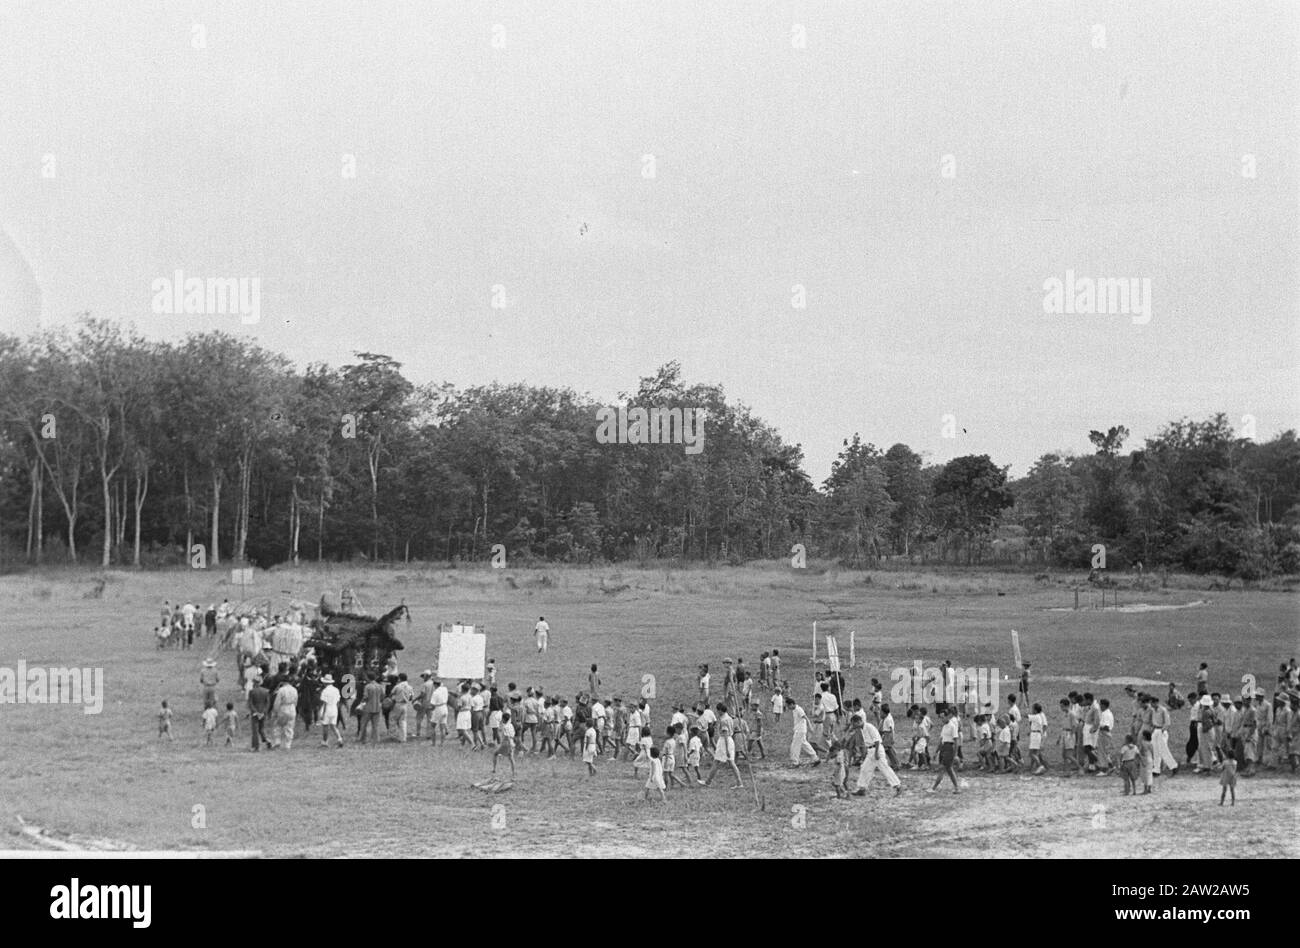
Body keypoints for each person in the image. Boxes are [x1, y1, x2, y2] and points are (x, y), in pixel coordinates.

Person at [853, 713, 902, 796]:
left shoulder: (869, 727)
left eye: (855, 724)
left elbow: (877, 740)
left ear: (859, 721)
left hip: (877, 750)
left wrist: (876, 753)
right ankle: (862, 788)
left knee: (885, 769)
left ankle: (898, 786)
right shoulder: (862, 729)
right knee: (865, 768)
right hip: (871, 751)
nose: (854, 726)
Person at [929, 707, 960, 793]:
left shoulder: (952, 726)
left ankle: (934, 788)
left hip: (949, 748)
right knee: (949, 769)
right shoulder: (944, 727)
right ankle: (957, 787)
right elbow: (941, 740)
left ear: (947, 716)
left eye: (943, 717)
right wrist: (936, 752)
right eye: (941, 717)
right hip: (943, 748)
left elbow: (956, 741)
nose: (942, 719)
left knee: (942, 768)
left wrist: (955, 753)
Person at [272, 677, 298, 750]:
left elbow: (277, 702)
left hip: (283, 707)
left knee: (278, 725)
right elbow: (296, 701)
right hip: (292, 707)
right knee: (290, 726)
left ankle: (277, 741)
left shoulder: (281, 690)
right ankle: (288, 744)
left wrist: (275, 711)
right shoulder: (294, 689)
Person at [790, 699, 818, 765]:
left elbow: (806, 718)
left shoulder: (799, 709)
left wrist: (810, 726)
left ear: (791, 704)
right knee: (805, 745)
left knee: (795, 746)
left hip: (800, 731)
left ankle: (795, 762)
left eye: (788, 706)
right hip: (799, 730)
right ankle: (815, 758)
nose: (788, 708)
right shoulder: (794, 710)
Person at [318, 674, 344, 747]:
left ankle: (325, 742)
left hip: (328, 709)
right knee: (333, 725)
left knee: (325, 725)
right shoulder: (336, 690)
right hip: (334, 708)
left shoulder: (325, 691)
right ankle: (339, 739)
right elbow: (338, 701)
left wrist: (322, 714)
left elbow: (325, 703)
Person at [361, 674, 385, 746]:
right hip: (377, 708)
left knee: (364, 724)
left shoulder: (367, 686)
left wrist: (361, 702)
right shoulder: (380, 686)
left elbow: (365, 697)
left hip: (368, 708)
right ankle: (376, 739)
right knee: (375, 725)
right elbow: (383, 696)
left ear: (368, 678)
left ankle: (363, 739)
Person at [493, 711, 517, 777]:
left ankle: (494, 769)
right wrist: (512, 744)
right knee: (511, 759)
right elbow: (513, 735)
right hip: (512, 742)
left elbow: (507, 736)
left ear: (503, 719)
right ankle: (513, 773)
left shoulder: (505, 727)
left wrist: (509, 744)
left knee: (495, 753)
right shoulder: (511, 725)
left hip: (506, 743)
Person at [248, 680, 270, 750]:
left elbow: (250, 703)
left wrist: (255, 711)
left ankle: (256, 746)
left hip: (255, 713)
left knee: (255, 730)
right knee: (261, 729)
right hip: (263, 712)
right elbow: (268, 703)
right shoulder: (266, 691)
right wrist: (264, 712)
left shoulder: (252, 691)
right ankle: (267, 741)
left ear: (254, 683)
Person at [1027, 702, 1048, 774]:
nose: (1032, 710)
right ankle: (1032, 768)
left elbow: (1026, 716)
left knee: (1031, 753)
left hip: (1035, 735)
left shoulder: (1036, 716)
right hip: (1035, 734)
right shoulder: (1037, 716)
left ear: (1035, 710)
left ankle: (1040, 766)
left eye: (1032, 709)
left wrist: (1026, 712)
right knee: (1035, 753)